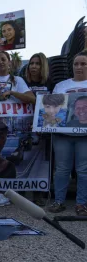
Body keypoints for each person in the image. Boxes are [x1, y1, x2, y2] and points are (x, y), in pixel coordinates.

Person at [47, 51, 87, 215]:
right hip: (63, 134)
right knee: (62, 169)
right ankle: (59, 201)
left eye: (83, 63)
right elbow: (51, 110)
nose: (79, 67)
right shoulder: (61, 85)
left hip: (85, 136)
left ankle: (81, 203)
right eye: (76, 64)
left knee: (83, 170)